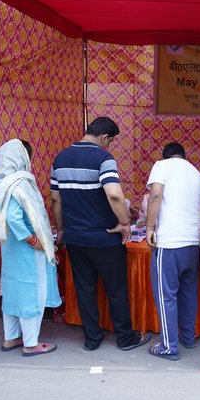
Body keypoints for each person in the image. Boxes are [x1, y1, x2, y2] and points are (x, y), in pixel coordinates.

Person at [51, 117, 150, 351]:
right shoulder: (103, 158)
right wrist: (125, 223)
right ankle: (125, 338)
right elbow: (114, 195)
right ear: (105, 137)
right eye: (111, 141)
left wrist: (62, 229)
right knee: (116, 289)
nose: (110, 146)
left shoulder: (60, 158)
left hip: (75, 238)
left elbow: (56, 198)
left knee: (85, 288)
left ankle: (92, 339)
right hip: (104, 238)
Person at [0, 139, 61, 357]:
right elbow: (14, 217)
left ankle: (11, 338)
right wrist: (33, 239)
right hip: (27, 249)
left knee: (12, 290)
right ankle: (31, 343)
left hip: (9, 248)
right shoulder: (19, 184)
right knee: (32, 292)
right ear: (23, 158)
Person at [145, 142, 200, 361]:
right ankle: (188, 337)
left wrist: (150, 227)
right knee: (189, 292)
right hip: (193, 242)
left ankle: (169, 346)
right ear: (184, 156)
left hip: (170, 242)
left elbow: (155, 195)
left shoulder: (162, 166)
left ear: (165, 156)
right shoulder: (197, 173)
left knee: (165, 295)